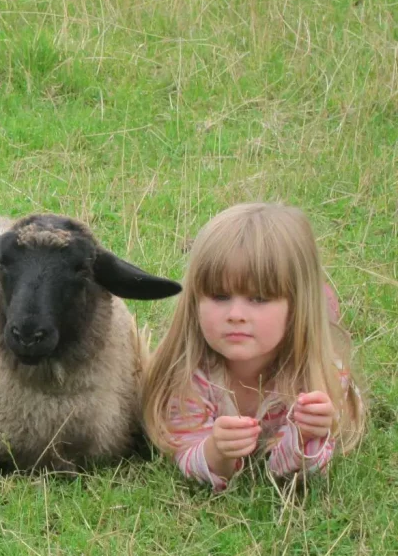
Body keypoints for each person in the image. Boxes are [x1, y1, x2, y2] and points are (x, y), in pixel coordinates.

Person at [143, 203, 365, 491]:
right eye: (220, 296)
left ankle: (322, 307)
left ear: (296, 306)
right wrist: (216, 452)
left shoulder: (320, 375)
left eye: (259, 299)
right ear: (195, 301)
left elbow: (293, 475)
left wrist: (306, 433)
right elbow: (186, 455)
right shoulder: (187, 372)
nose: (236, 314)